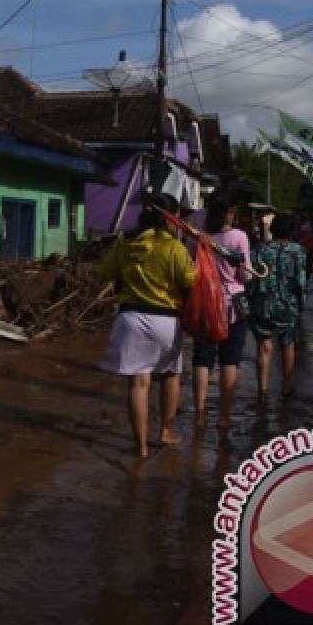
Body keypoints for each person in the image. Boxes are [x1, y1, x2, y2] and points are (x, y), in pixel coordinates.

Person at [100, 192, 197, 458]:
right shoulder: (174, 247)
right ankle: (166, 431)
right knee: (170, 374)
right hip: (166, 320)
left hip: (130, 319)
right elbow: (191, 282)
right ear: (170, 218)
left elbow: (105, 272)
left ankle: (140, 446)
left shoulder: (125, 243)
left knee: (138, 384)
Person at [191, 199, 251, 427]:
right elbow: (246, 276)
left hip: (205, 304)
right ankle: (224, 417)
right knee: (229, 360)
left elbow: (192, 264)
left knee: (202, 358)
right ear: (230, 212)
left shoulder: (200, 237)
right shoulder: (239, 237)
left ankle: (199, 415)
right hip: (233, 305)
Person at [249, 214, 307, 398]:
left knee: (264, 346)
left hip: (264, 304)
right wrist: (301, 304)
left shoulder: (260, 250)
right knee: (287, 344)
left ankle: (263, 391)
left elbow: (253, 278)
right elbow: (301, 281)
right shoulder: (298, 251)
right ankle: (286, 387)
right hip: (288, 305)